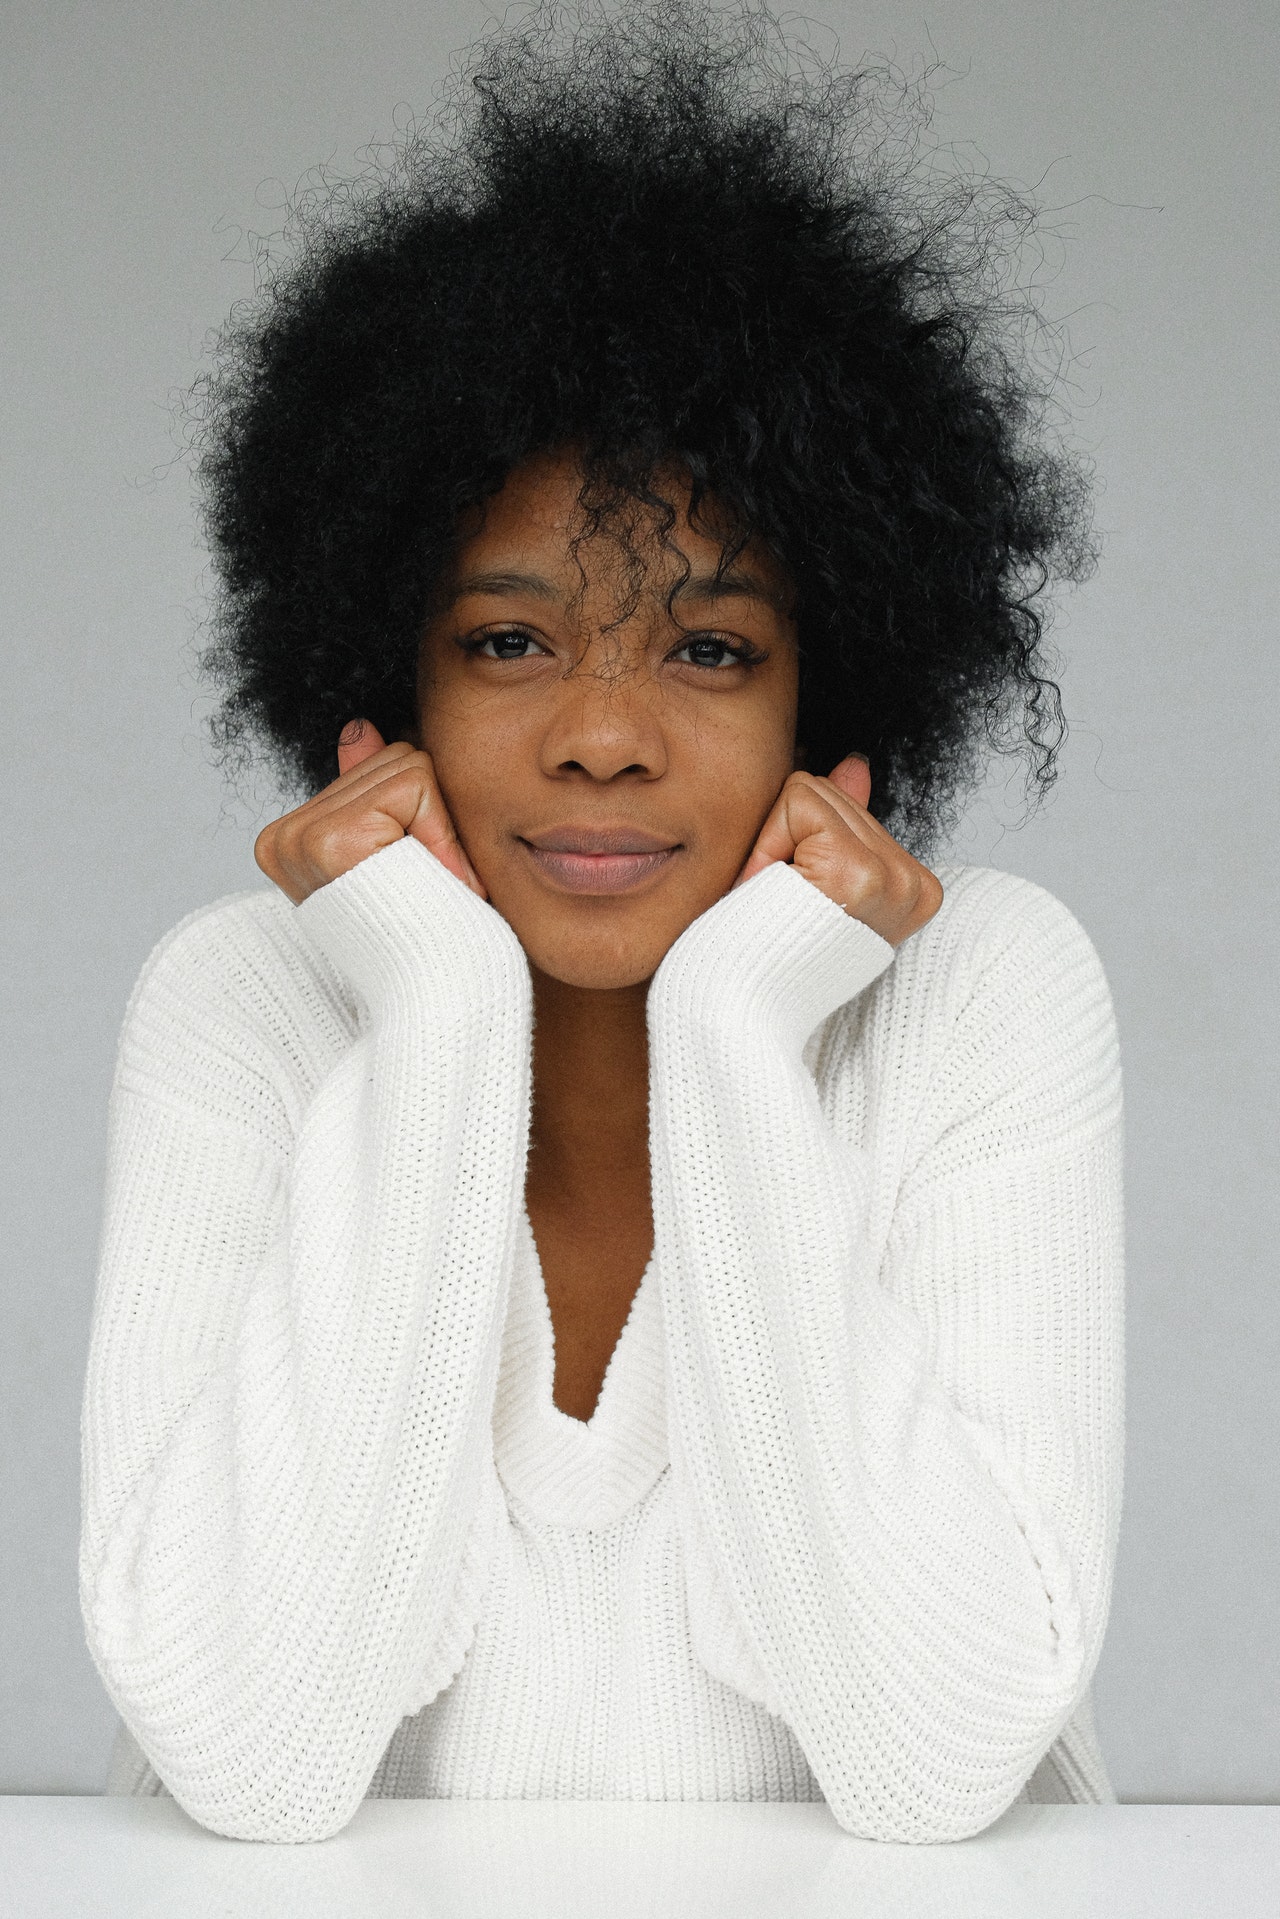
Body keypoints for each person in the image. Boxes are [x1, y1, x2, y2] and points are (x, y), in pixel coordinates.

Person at [79, 1, 1124, 1844]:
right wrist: (438, 1009)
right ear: (382, 676)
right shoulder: (246, 1003)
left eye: (712, 651)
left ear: (831, 698)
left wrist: (736, 1033)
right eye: (508, 642)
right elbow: (255, 1758)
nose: (607, 736)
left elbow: (935, 1762)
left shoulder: (981, 996)